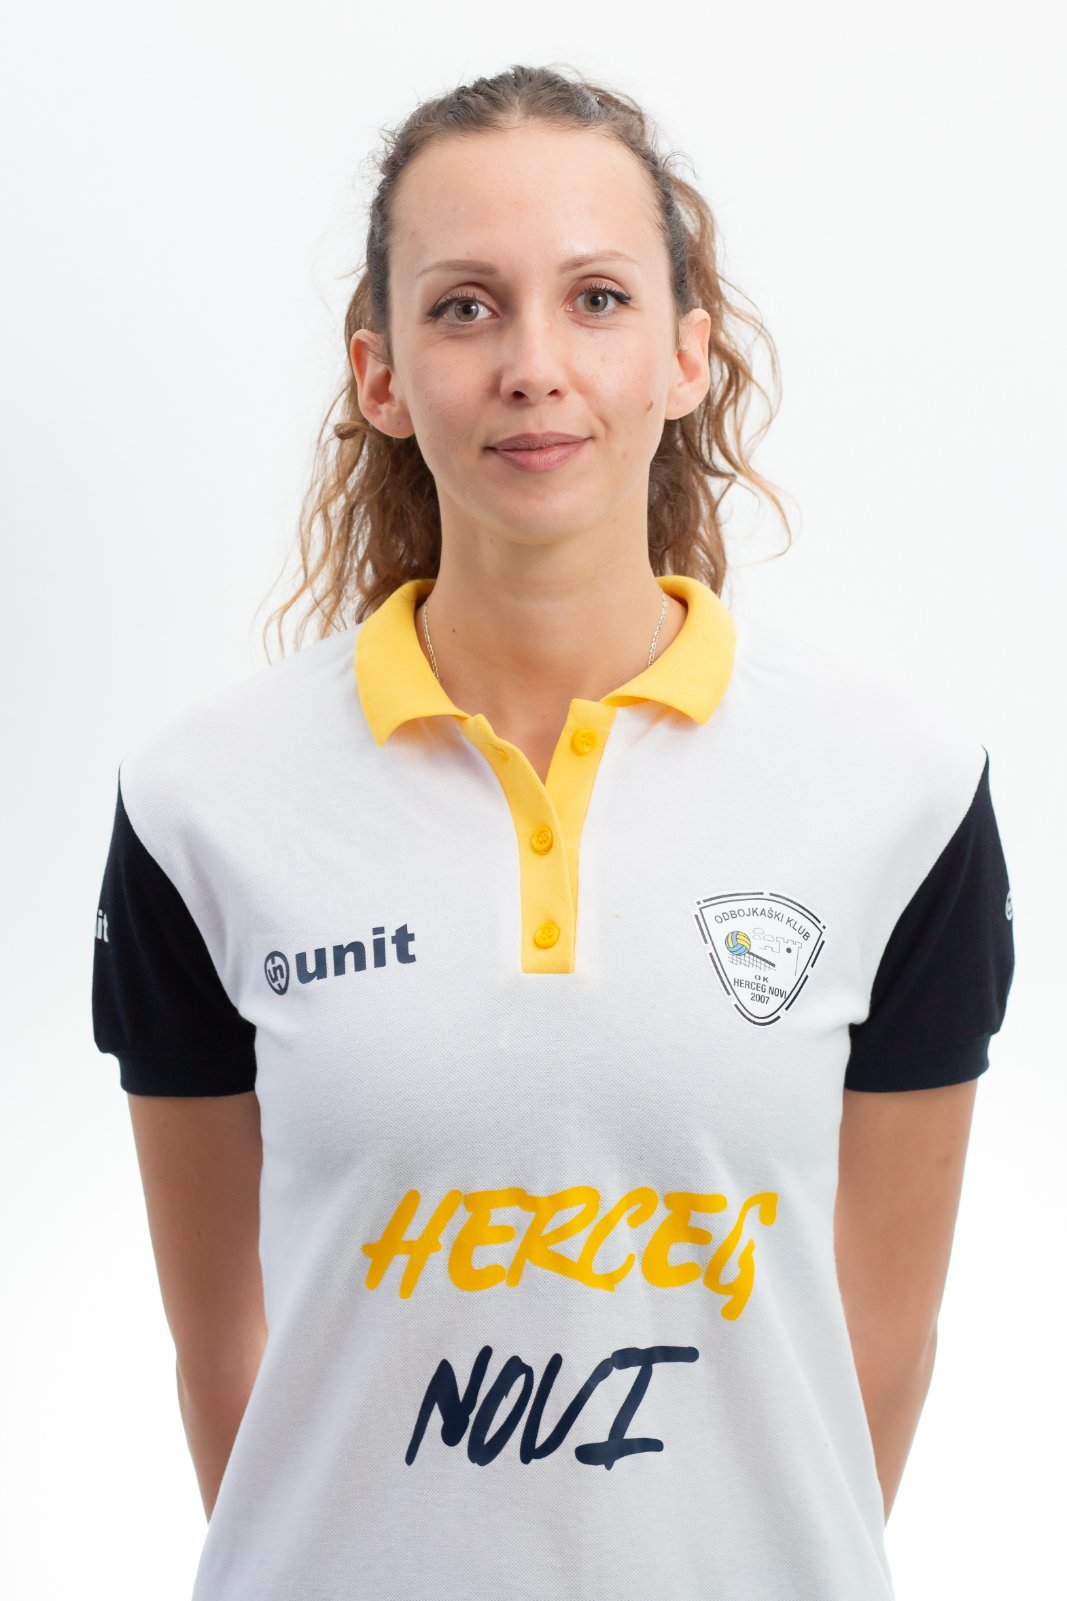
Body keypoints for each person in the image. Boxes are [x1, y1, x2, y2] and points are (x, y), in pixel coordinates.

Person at [91, 63, 1016, 1601]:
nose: (534, 364)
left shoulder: (900, 792)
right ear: (382, 375)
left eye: (596, 299)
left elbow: (881, 1336)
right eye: (465, 307)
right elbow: (227, 1352)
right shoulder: (201, 807)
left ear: (686, 355)